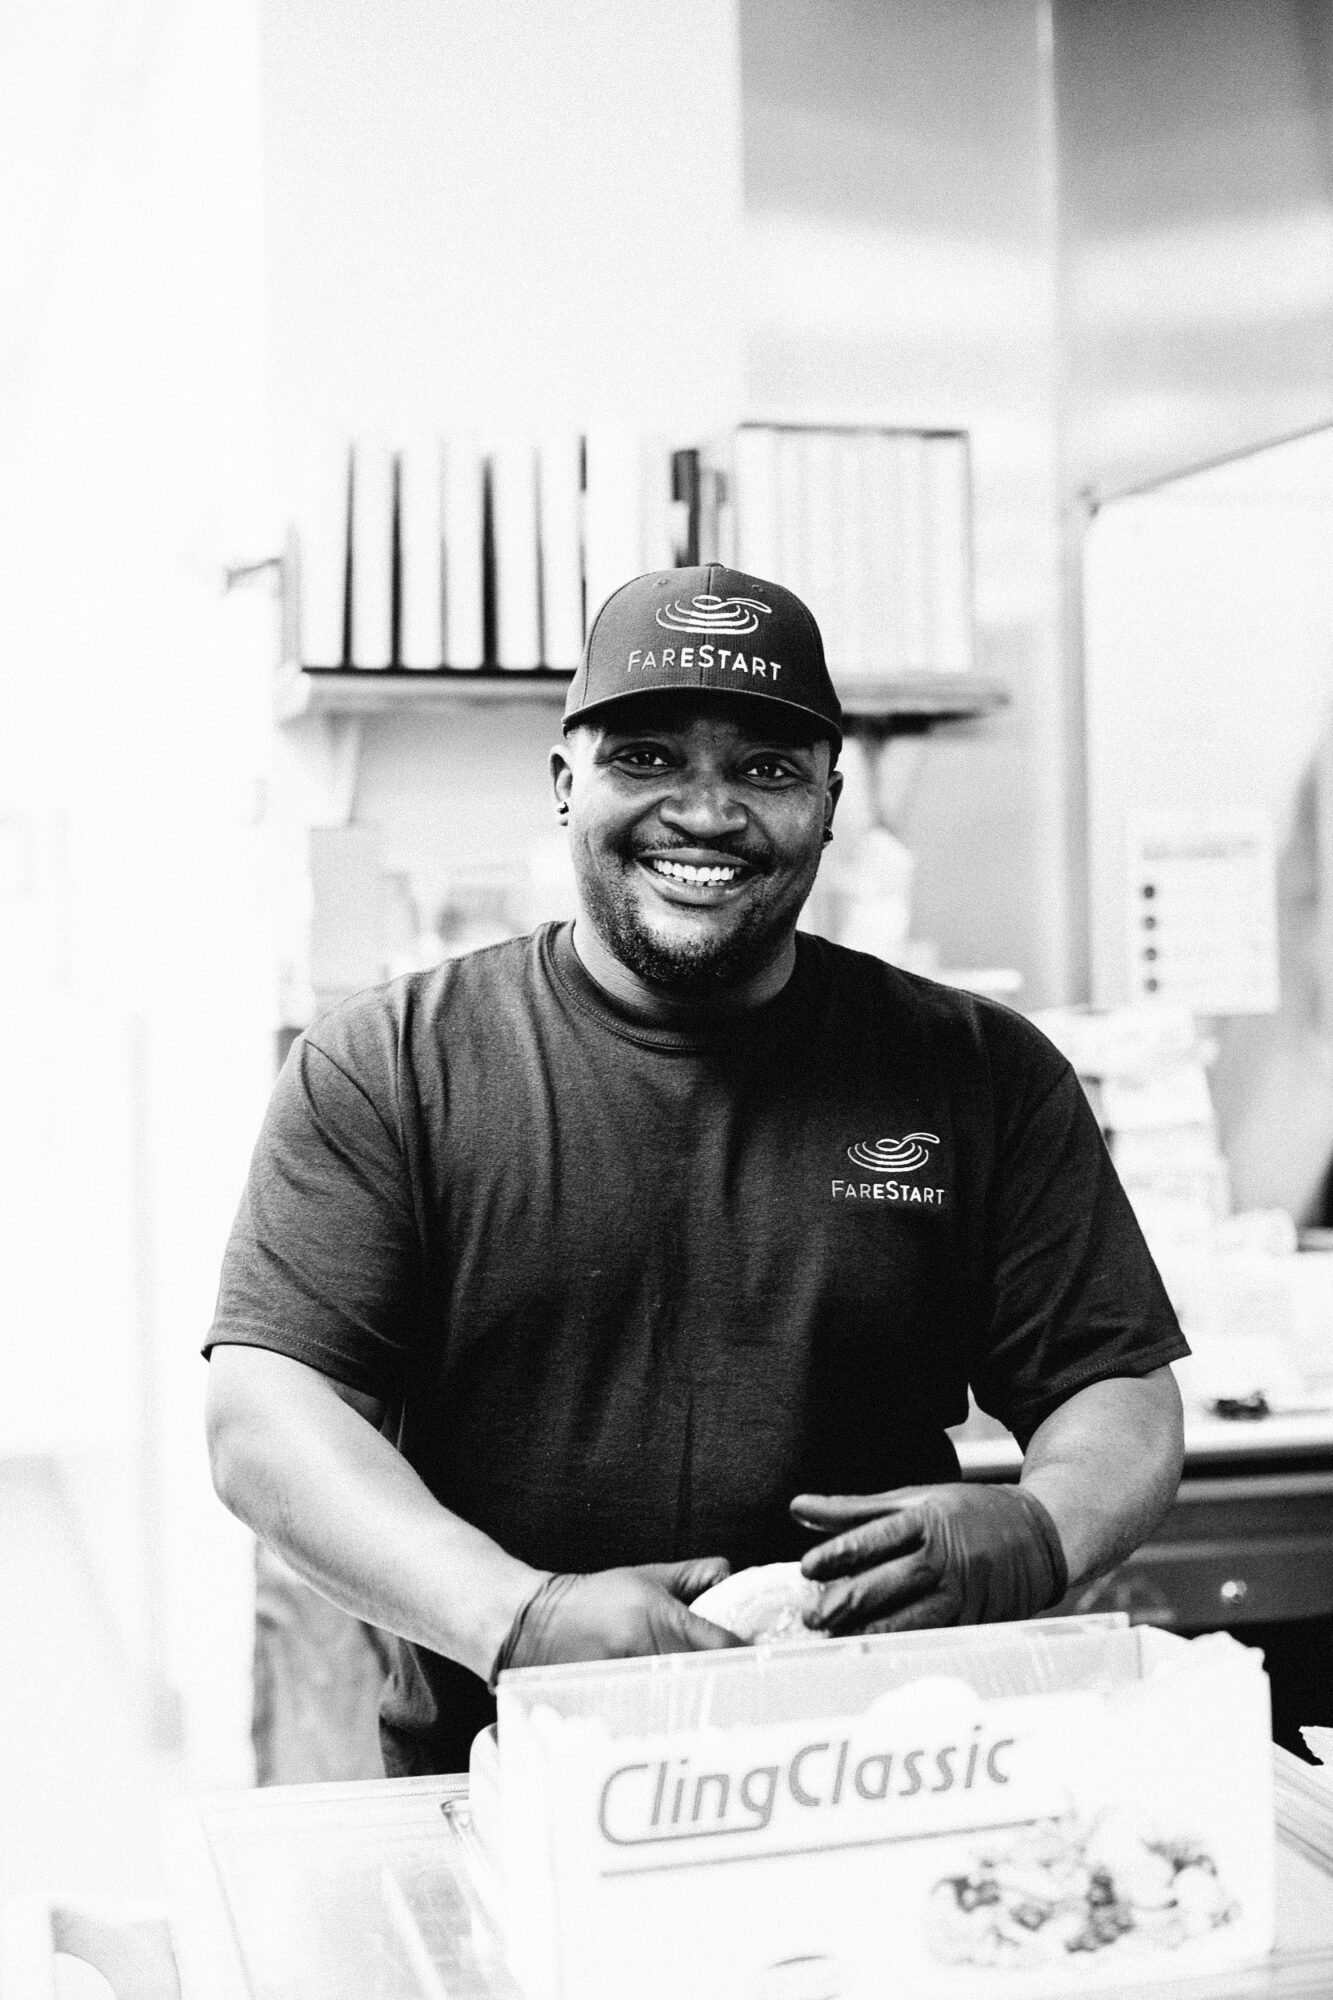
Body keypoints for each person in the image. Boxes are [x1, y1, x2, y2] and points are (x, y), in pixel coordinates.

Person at [205, 563, 1188, 1776]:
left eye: (767, 770)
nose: (705, 812)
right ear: (566, 785)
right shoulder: (392, 1066)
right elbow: (267, 1417)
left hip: (885, 1768)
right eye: (649, 757)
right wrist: (517, 1618)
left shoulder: (976, 1069)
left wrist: (1042, 1528)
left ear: (830, 803)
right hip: (502, 1779)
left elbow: (1119, 1389)